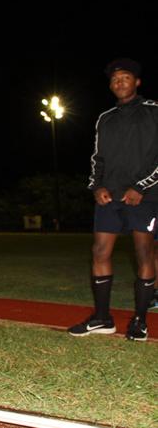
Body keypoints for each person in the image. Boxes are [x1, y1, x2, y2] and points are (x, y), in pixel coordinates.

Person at [69, 58, 158, 341]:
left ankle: (140, 322)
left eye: (126, 78)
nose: (120, 83)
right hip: (110, 197)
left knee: (144, 254)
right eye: (115, 80)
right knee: (99, 251)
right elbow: (98, 159)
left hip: (143, 198)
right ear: (111, 85)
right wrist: (97, 187)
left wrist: (141, 188)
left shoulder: (154, 112)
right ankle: (102, 318)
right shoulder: (105, 118)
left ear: (137, 82)